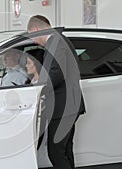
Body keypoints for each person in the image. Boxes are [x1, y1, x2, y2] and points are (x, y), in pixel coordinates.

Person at [27, 15, 83, 169]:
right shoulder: (60, 40)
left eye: (32, 35)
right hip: (68, 104)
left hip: (63, 106)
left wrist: (38, 89)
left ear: (37, 29)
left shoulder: (56, 43)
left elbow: (57, 73)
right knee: (64, 150)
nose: (33, 41)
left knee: (56, 152)